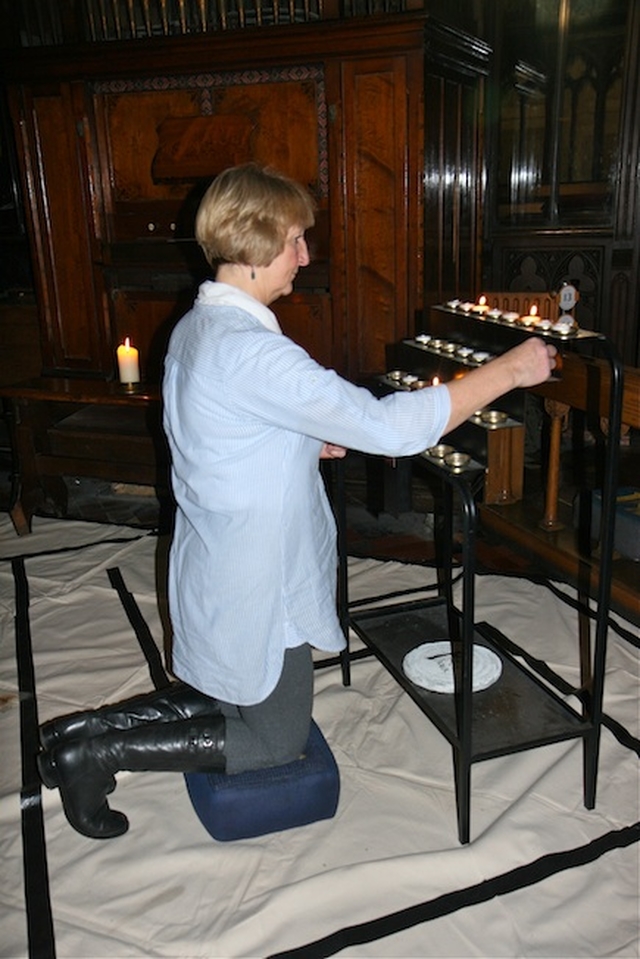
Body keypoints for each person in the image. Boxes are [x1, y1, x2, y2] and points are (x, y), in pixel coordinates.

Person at [37, 163, 557, 839]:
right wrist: (510, 370)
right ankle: (97, 751)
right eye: (295, 240)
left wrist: (298, 442)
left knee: (227, 694)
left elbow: (214, 427)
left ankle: (81, 732)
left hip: (217, 556)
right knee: (276, 738)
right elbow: (388, 426)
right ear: (254, 244)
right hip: (257, 576)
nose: (305, 256)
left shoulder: (197, 327)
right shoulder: (253, 350)